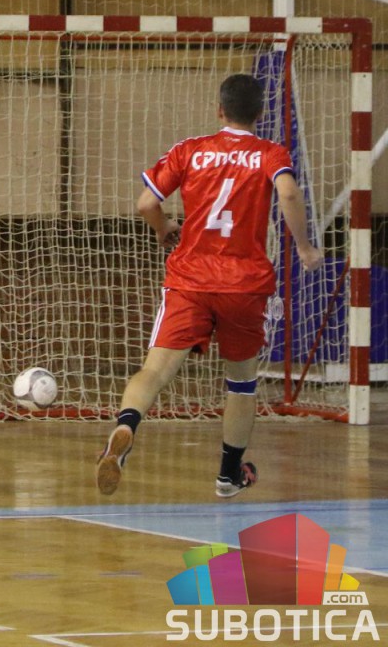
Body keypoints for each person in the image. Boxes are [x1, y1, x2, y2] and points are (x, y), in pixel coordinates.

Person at [95, 73, 323, 498]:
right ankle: (228, 475)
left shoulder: (190, 150)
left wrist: (163, 227)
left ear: (219, 110)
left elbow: (146, 202)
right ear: (260, 113)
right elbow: (289, 195)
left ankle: (126, 427)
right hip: (244, 285)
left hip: (190, 280)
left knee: (154, 370)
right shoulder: (270, 153)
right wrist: (306, 248)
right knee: (241, 382)